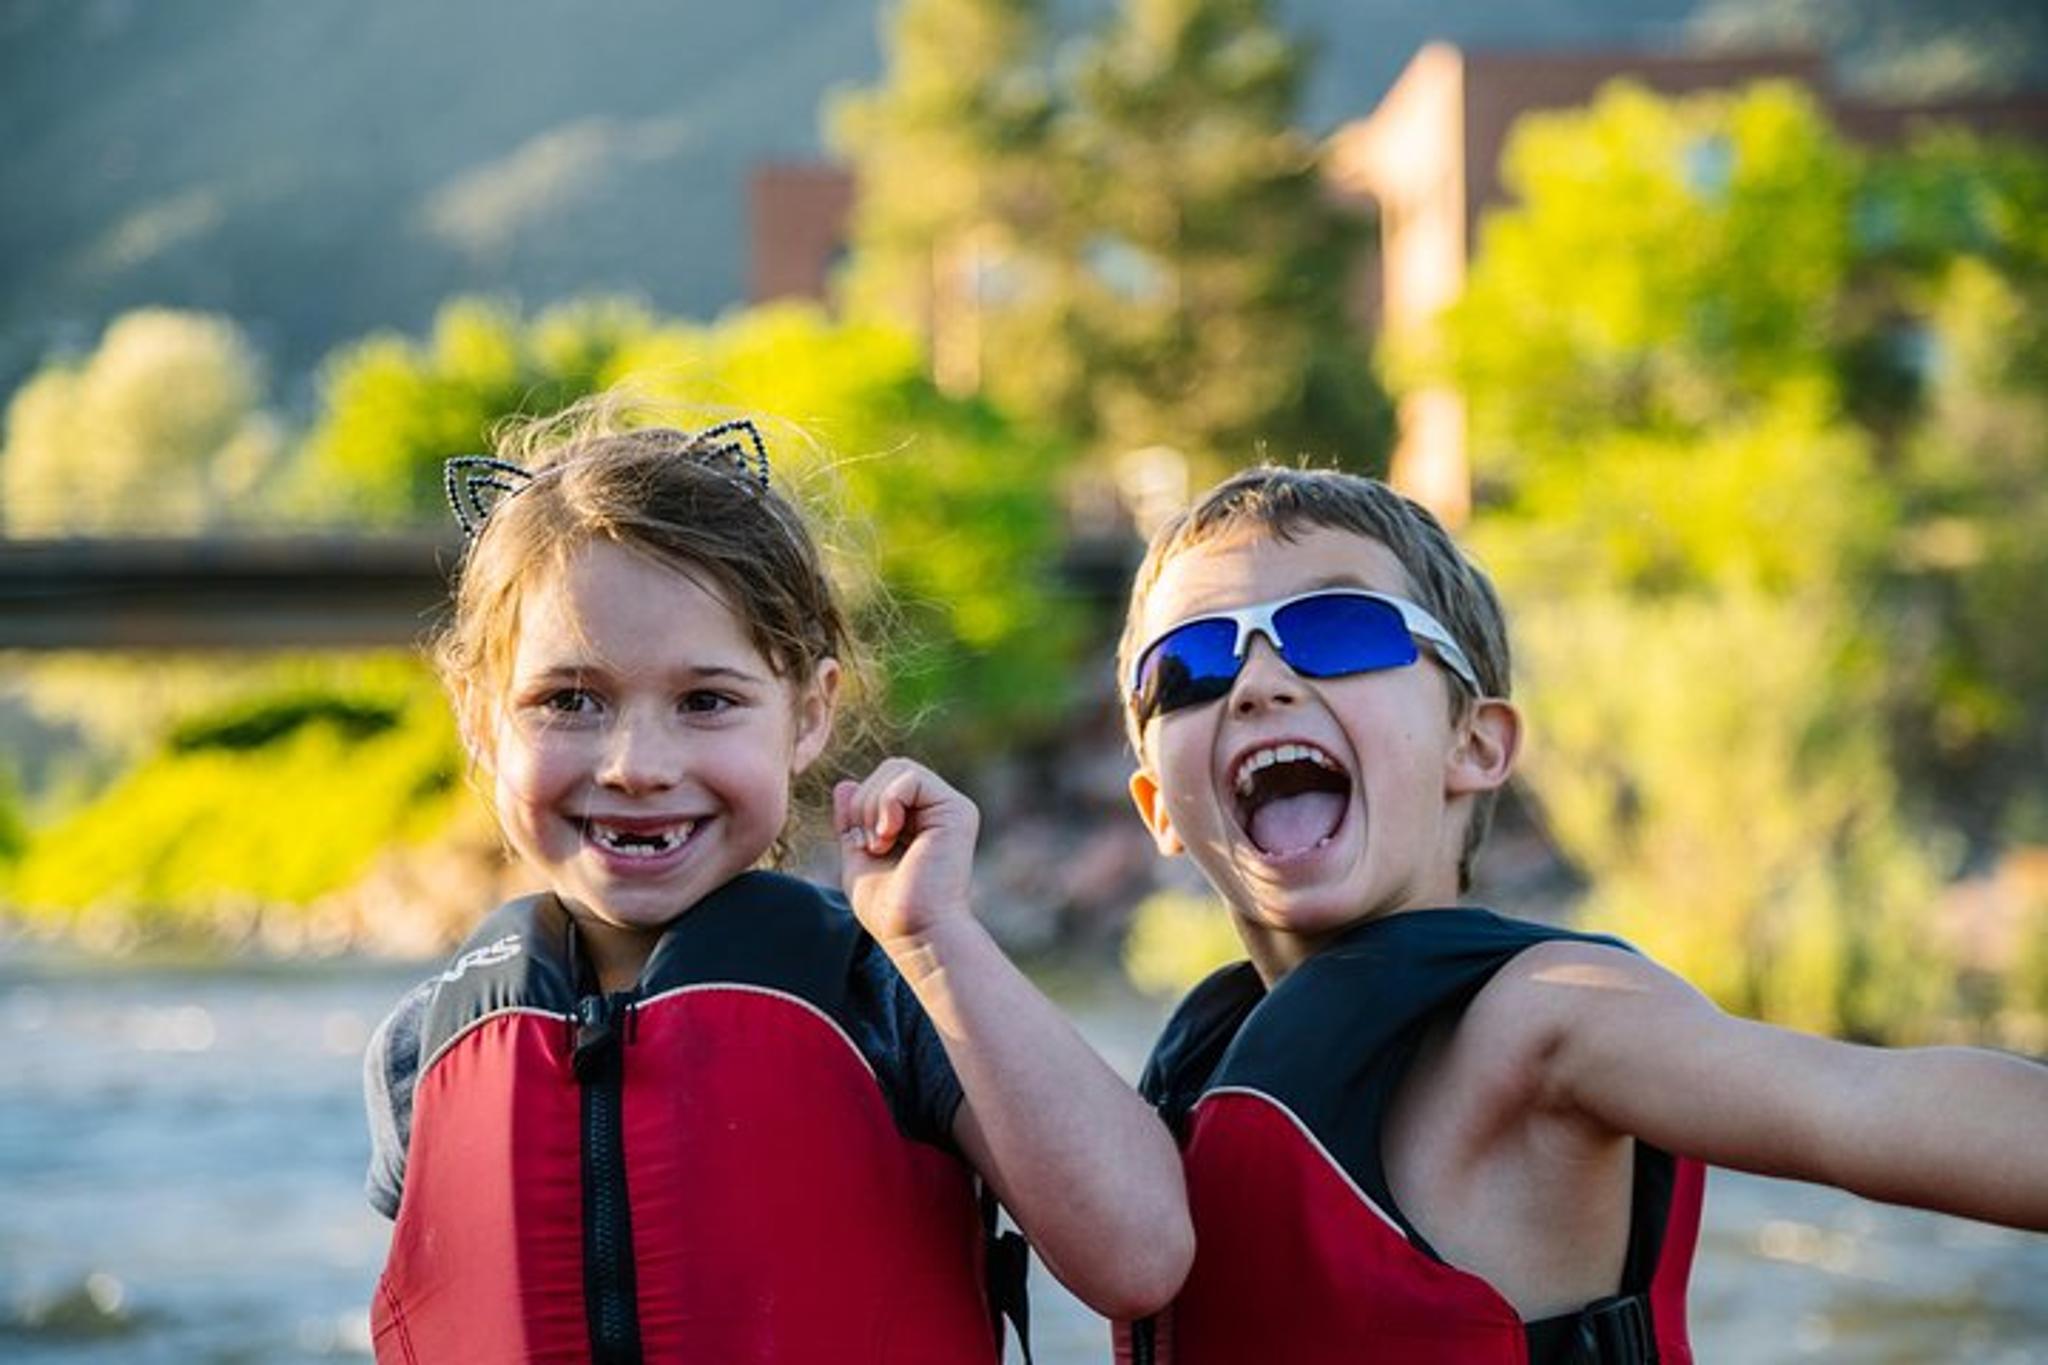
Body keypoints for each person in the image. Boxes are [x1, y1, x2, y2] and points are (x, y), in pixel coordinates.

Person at [1110, 464, 2048, 1364]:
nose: (1258, 683)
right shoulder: (1182, 1086)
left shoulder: (1550, 1017)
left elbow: (1860, 1103)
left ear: (1474, 742)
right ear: (1159, 809)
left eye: (1341, 630)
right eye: (1187, 667)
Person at [362, 405, 1190, 1364]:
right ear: (478, 715)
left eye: (706, 701)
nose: (636, 763)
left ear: (809, 712)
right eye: (569, 701)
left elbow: (1140, 1257)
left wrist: (937, 941)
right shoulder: (424, 1051)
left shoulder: (894, 994)